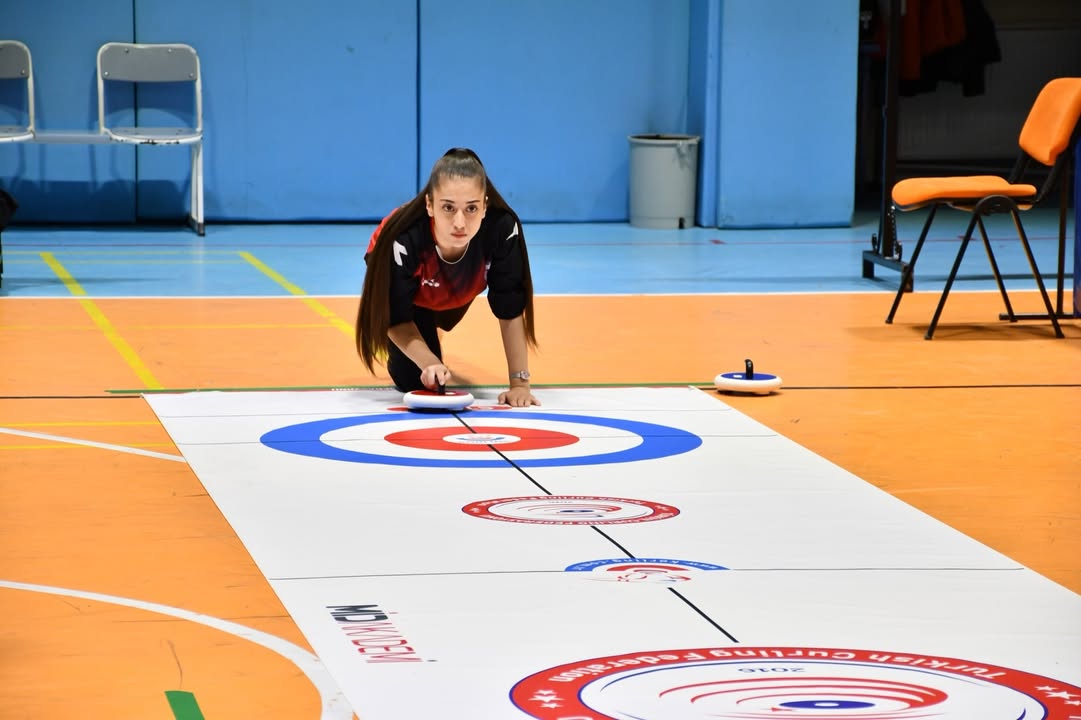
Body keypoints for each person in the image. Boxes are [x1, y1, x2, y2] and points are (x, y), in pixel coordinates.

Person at [355, 148, 540, 407]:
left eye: (472, 208)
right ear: (429, 205)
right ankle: (425, 337)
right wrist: (429, 362)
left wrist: (519, 383)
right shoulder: (403, 238)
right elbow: (394, 316)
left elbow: (509, 307)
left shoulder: (502, 228)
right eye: (448, 208)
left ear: (485, 206)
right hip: (412, 299)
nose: (460, 223)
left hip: (458, 290)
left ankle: (433, 331)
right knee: (413, 378)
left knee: (442, 323)